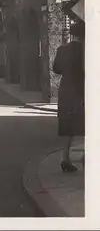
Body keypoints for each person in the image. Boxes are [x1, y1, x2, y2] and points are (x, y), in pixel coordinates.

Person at [53, 22, 85, 172]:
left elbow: (56, 69)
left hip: (66, 91)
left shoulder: (62, 49)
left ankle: (64, 158)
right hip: (82, 91)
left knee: (67, 127)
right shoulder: (87, 49)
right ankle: (86, 155)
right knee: (87, 124)